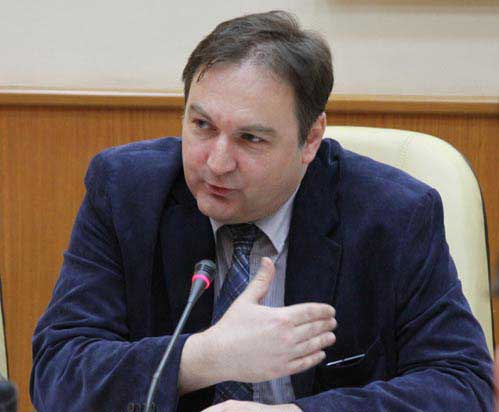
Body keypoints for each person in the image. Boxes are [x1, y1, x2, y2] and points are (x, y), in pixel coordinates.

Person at [30, 10, 494, 412]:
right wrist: (204, 356)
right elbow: (58, 373)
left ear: (310, 139)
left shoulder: (393, 215)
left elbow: (463, 385)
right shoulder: (127, 192)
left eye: (251, 139)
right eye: (202, 125)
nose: (217, 163)